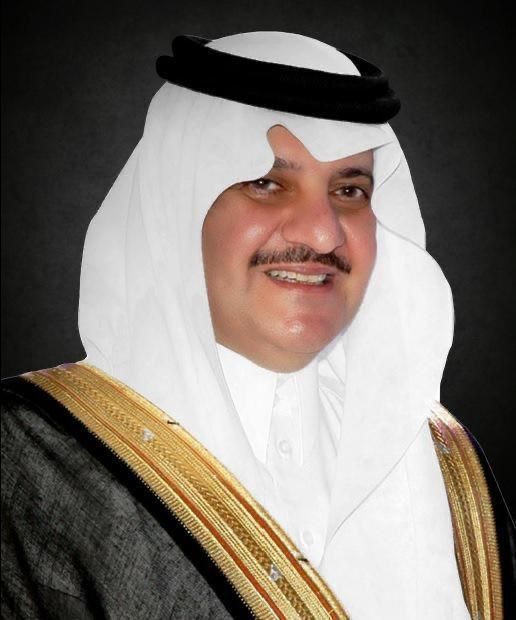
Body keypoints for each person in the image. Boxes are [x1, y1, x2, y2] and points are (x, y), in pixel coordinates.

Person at [1, 32, 514, 619]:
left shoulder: (446, 464)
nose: (322, 233)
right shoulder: (29, 460)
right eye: (266, 184)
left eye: (350, 190)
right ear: (178, 205)